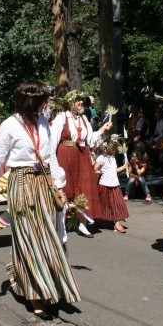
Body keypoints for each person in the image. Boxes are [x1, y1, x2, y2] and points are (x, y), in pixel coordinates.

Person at [0, 80, 80, 320]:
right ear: (30, 100)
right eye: (42, 99)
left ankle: (48, 287)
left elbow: (50, 158)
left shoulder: (44, 122)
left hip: (43, 182)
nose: (46, 103)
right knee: (28, 238)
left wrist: (59, 186)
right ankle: (34, 293)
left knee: (48, 236)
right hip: (22, 183)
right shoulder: (9, 125)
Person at [52, 90, 113, 237]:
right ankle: (61, 224)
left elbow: (90, 141)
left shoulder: (84, 119)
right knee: (65, 188)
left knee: (84, 188)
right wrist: (51, 163)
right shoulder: (61, 118)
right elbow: (53, 141)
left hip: (82, 156)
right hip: (65, 155)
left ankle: (82, 223)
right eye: (77, 100)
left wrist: (102, 129)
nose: (81, 103)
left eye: (81, 100)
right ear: (70, 103)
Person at [95, 137, 129, 233]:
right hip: (104, 184)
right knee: (102, 204)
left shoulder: (113, 158)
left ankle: (117, 224)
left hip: (115, 184)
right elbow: (94, 169)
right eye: (114, 147)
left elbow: (114, 171)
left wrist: (124, 167)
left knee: (118, 204)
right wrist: (100, 172)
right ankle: (96, 218)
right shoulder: (101, 157)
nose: (115, 150)